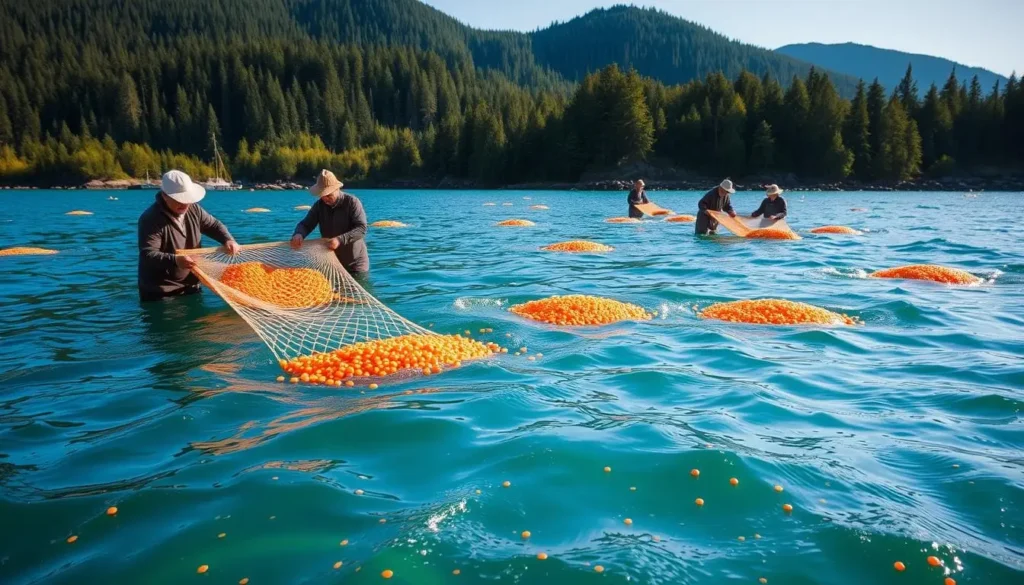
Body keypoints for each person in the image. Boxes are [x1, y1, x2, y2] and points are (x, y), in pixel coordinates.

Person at [138, 170, 240, 302]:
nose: (185, 204)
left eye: (188, 199)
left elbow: (213, 225)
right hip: (160, 293)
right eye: (179, 199)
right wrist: (176, 260)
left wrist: (228, 239)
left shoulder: (194, 209)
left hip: (191, 286)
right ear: (164, 196)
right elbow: (148, 254)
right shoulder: (150, 219)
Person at [291, 169, 369, 275]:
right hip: (331, 262)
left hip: (355, 264)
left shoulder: (352, 202)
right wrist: (299, 234)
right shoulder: (319, 206)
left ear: (337, 189)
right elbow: (306, 224)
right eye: (322, 195)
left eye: (328, 195)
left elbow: (361, 228)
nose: (325, 199)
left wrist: (339, 240)